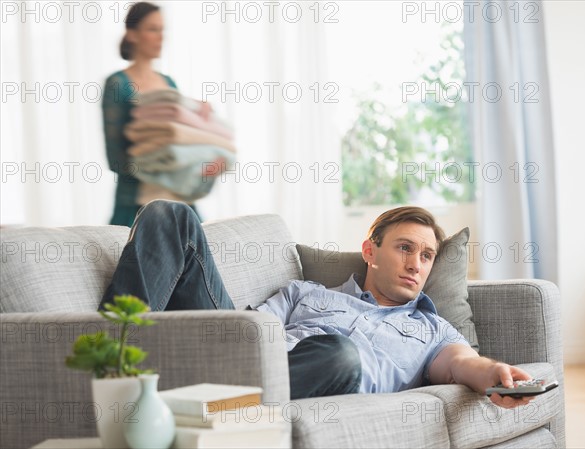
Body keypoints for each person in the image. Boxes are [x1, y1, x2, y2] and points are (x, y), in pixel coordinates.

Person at [101, 200, 534, 408]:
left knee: (340, 354)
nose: (416, 264)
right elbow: (247, 334)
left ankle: (179, 397)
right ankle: (112, 363)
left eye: (426, 256)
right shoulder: (306, 292)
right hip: (244, 361)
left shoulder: (432, 329)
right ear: (369, 251)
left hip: (321, 377)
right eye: (405, 248)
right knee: (170, 214)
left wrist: (494, 374)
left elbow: (462, 363)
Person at [102, 2, 210, 226]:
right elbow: (116, 159)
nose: (161, 37)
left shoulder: (168, 83)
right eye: (153, 29)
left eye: (162, 30)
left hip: (180, 202)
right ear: (132, 34)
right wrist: (162, 165)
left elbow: (180, 139)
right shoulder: (117, 84)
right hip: (136, 206)